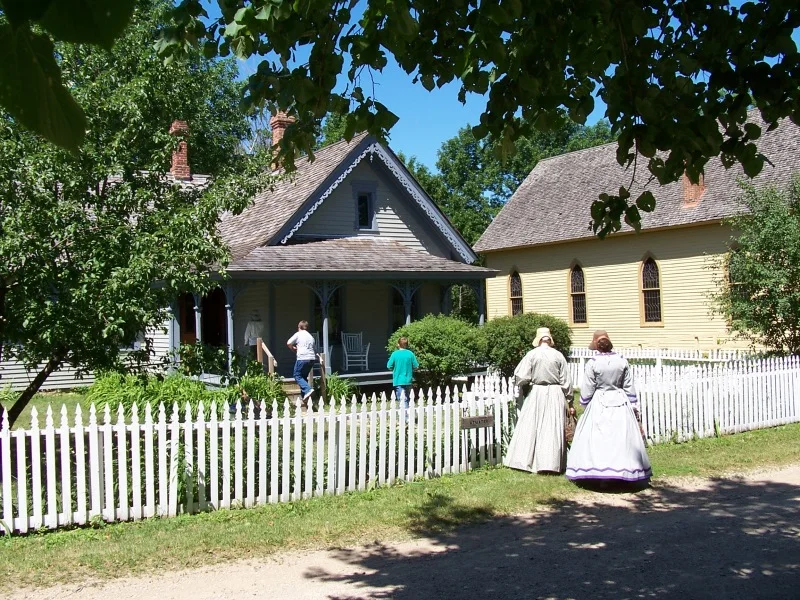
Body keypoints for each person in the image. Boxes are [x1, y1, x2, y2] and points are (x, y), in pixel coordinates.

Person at [566, 330, 652, 483]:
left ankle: (601, 474)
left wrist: (584, 403)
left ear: (596, 346)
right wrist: (633, 403)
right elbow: (628, 385)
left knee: (600, 438)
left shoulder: (593, 363)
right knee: (621, 437)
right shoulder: (621, 360)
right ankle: (624, 471)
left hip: (600, 400)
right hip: (619, 399)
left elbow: (588, 387)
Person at [504, 327, 574, 474]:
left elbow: (521, 376)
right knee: (552, 427)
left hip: (537, 392)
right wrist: (570, 400)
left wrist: (520, 384)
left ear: (538, 339)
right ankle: (551, 463)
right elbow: (566, 381)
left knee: (532, 426)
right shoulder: (558, 355)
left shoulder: (532, 355)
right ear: (549, 339)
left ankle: (524, 461)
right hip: (555, 392)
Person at [287, 320, 316, 403]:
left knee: (297, 375)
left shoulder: (298, 334)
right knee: (303, 377)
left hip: (302, 358)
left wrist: (293, 349)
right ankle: (305, 398)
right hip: (311, 359)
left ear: (299, 327)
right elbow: (314, 349)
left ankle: (308, 390)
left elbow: (288, 343)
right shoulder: (311, 337)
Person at [387, 336, 419, 410]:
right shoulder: (410, 354)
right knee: (406, 398)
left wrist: (395, 368)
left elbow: (389, 366)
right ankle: (405, 414)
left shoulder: (395, 354)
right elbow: (416, 366)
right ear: (407, 344)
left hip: (398, 380)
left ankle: (405, 417)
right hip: (408, 380)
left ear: (398, 344)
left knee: (402, 399)